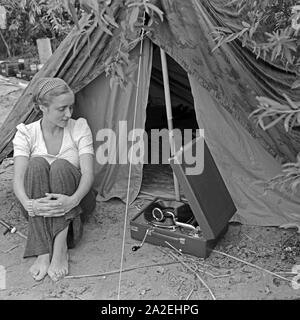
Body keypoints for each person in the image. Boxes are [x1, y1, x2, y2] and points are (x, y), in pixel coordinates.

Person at [12, 77, 96, 282]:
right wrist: (28, 203)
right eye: (61, 109)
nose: (68, 114)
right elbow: (18, 179)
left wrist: (73, 200)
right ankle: (43, 252)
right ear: (43, 107)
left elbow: (88, 174)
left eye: (71, 107)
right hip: (37, 207)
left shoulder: (79, 127)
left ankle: (59, 249)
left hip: (76, 203)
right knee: (37, 163)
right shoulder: (26, 133)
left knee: (59, 166)